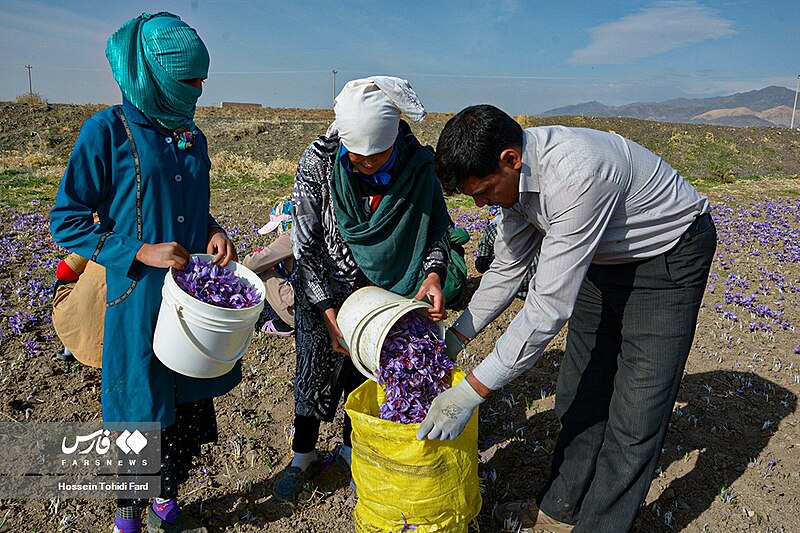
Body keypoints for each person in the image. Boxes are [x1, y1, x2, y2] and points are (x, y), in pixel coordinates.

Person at [417, 104, 716, 533]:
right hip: (602, 255)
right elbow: (507, 268)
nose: (481, 203)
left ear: (510, 159)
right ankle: (560, 508)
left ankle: (602, 526)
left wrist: (470, 392)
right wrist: (454, 340)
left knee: (636, 412)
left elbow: (546, 308)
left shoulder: (577, 174)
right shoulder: (515, 183)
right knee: (581, 389)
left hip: (666, 257)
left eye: (483, 190)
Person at [49, 12, 238, 533]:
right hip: (134, 299)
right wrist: (140, 251)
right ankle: (127, 518)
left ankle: (165, 505)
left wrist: (212, 230)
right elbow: (66, 222)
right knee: (138, 409)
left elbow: (189, 207)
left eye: (202, 80)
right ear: (153, 75)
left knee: (181, 405)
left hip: (189, 301)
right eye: (189, 81)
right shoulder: (106, 131)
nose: (199, 89)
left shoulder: (191, 135)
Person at [278, 76, 464, 502]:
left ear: (395, 138)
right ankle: (302, 454)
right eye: (357, 157)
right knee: (312, 369)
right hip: (323, 287)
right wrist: (329, 317)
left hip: (386, 294)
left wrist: (433, 274)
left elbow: (437, 228)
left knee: (366, 373)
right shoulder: (318, 163)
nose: (366, 165)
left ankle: (349, 447)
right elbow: (306, 247)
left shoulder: (417, 165)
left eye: (377, 157)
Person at [241, 200, 296, 336]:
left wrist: (258, 256)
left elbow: (251, 264)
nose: (276, 232)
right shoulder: (314, 229)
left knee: (265, 270)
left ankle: (285, 323)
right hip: (327, 307)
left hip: (301, 316)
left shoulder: (291, 235)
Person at [52, 253, 105, 367]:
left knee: (63, 282)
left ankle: (69, 348)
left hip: (95, 343)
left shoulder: (103, 237)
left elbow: (63, 272)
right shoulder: (150, 248)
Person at [474, 206, 538, 301]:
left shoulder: (491, 229)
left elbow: (481, 266)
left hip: (510, 282)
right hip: (537, 279)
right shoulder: (531, 224)